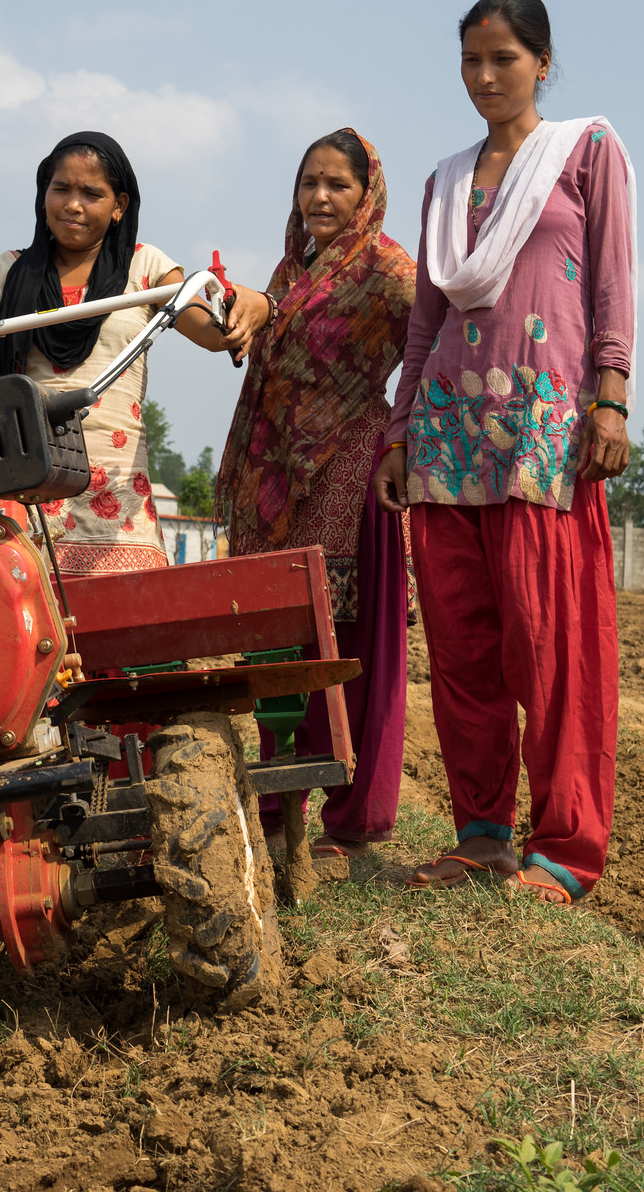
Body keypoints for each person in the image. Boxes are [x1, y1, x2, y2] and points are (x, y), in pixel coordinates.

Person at [375, 0, 636, 904]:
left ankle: (564, 845)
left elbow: (611, 282)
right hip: (447, 433)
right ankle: (481, 834)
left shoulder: (586, 152)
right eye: (471, 61)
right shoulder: (446, 181)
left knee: (551, 645)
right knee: (464, 649)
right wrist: (400, 427)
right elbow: (425, 322)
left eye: (505, 60)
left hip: (543, 431)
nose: (485, 77)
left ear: (543, 63)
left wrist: (612, 397)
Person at [0, 131, 269, 575]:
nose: (73, 205)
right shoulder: (8, 271)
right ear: (43, 195)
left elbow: (210, 331)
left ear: (119, 205)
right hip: (25, 485)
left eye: (91, 193)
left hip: (117, 497)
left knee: (127, 623)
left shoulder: (147, 267)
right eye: (61, 189)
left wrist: (248, 310)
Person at [216, 129, 415, 856]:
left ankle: (351, 817)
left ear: (368, 194)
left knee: (344, 640)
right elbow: (260, 323)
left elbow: (433, 342)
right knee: (275, 635)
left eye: (337, 184)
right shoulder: (291, 267)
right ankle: (276, 802)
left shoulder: (392, 271)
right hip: (271, 473)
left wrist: (408, 442)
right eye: (309, 183)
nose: (320, 197)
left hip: (348, 463)